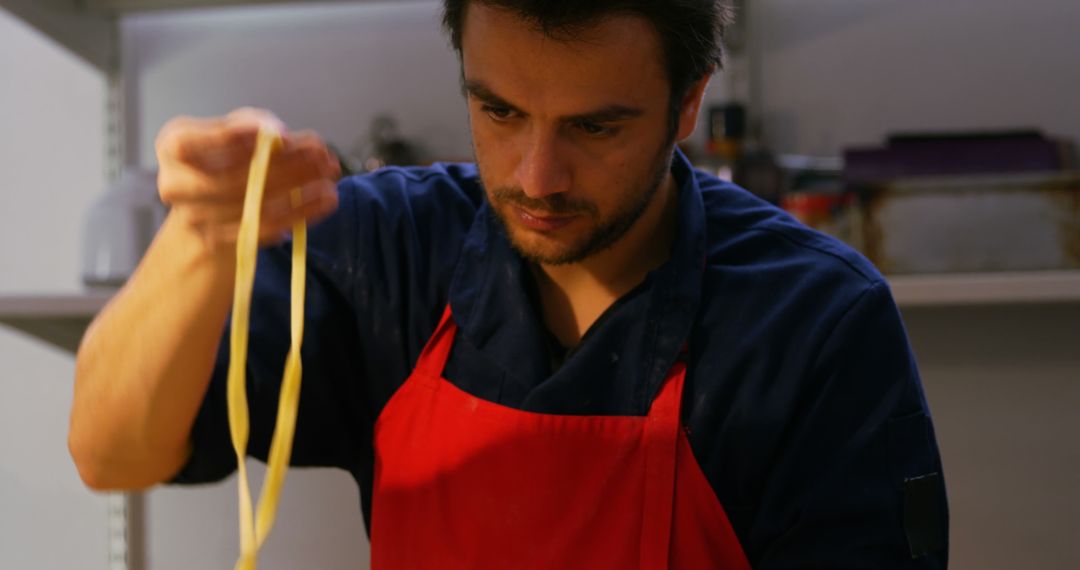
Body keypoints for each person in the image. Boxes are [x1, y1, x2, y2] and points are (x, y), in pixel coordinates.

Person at [69, 1, 949, 567]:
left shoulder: (812, 320)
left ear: (689, 103)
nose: (537, 176)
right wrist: (201, 234)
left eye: (595, 126)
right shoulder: (392, 252)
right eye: (499, 112)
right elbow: (113, 453)